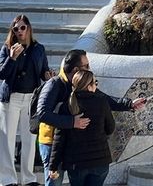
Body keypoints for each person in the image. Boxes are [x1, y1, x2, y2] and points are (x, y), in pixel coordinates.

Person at [37, 49, 145, 186]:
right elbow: (42, 113)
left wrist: (129, 104)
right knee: (54, 183)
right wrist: (72, 122)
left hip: (71, 145)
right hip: (52, 143)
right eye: (86, 65)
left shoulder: (83, 83)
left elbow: (105, 99)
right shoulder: (54, 84)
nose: (89, 68)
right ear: (76, 69)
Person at [0, 14, 52, 186]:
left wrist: (47, 75)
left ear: (29, 28)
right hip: (11, 98)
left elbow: (43, 70)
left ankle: (29, 179)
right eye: (16, 29)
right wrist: (12, 58)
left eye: (22, 27)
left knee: (29, 138)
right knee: (6, 140)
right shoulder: (7, 48)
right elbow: (2, 74)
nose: (19, 31)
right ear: (13, 31)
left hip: (31, 98)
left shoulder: (38, 49)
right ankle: (8, 180)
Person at [48, 69, 115, 186]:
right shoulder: (102, 102)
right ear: (89, 86)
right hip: (99, 161)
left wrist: (53, 166)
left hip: (76, 164)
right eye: (95, 83)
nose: (96, 86)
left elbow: (59, 139)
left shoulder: (66, 106)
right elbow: (110, 128)